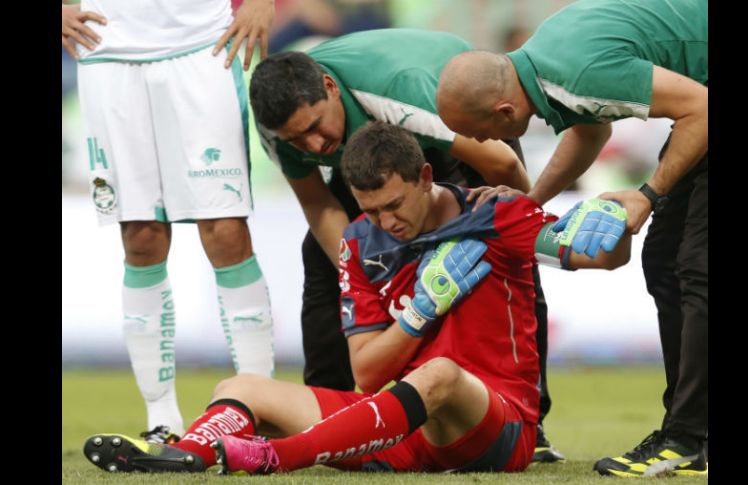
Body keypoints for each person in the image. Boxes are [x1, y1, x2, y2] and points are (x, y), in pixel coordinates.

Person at [82, 121, 631, 475]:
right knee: (239, 387)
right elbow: (367, 374)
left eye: (395, 205)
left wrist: (619, 221)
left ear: (424, 176)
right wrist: (420, 310)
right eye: (371, 211)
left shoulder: (496, 214)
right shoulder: (358, 245)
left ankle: (274, 457)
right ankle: (181, 459)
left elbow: (598, 256)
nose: (387, 223)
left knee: (439, 373)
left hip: (497, 424)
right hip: (406, 424)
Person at [250, 29, 567, 462]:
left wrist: (520, 223)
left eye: (313, 127)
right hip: (369, 162)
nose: (312, 145)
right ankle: (331, 415)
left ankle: (531, 419)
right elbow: (318, 204)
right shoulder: (279, 124)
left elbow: (502, 164)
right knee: (320, 261)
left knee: (502, 252)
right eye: (296, 140)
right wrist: (361, 273)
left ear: (329, 88)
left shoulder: (400, 90)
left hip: (457, 130)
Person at [436, 0, 707, 477]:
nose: (480, 146)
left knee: (696, 270)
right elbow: (590, 130)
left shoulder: (575, 70)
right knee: (666, 264)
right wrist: (534, 198)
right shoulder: (550, 61)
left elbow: (702, 109)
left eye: (479, 134)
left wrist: (649, 193)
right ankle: (689, 432)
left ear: (504, 111)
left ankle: (688, 436)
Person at [61, 0, 277, 442]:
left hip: (203, 43)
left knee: (225, 230)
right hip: (106, 48)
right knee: (140, 237)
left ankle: (261, 408)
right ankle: (162, 419)